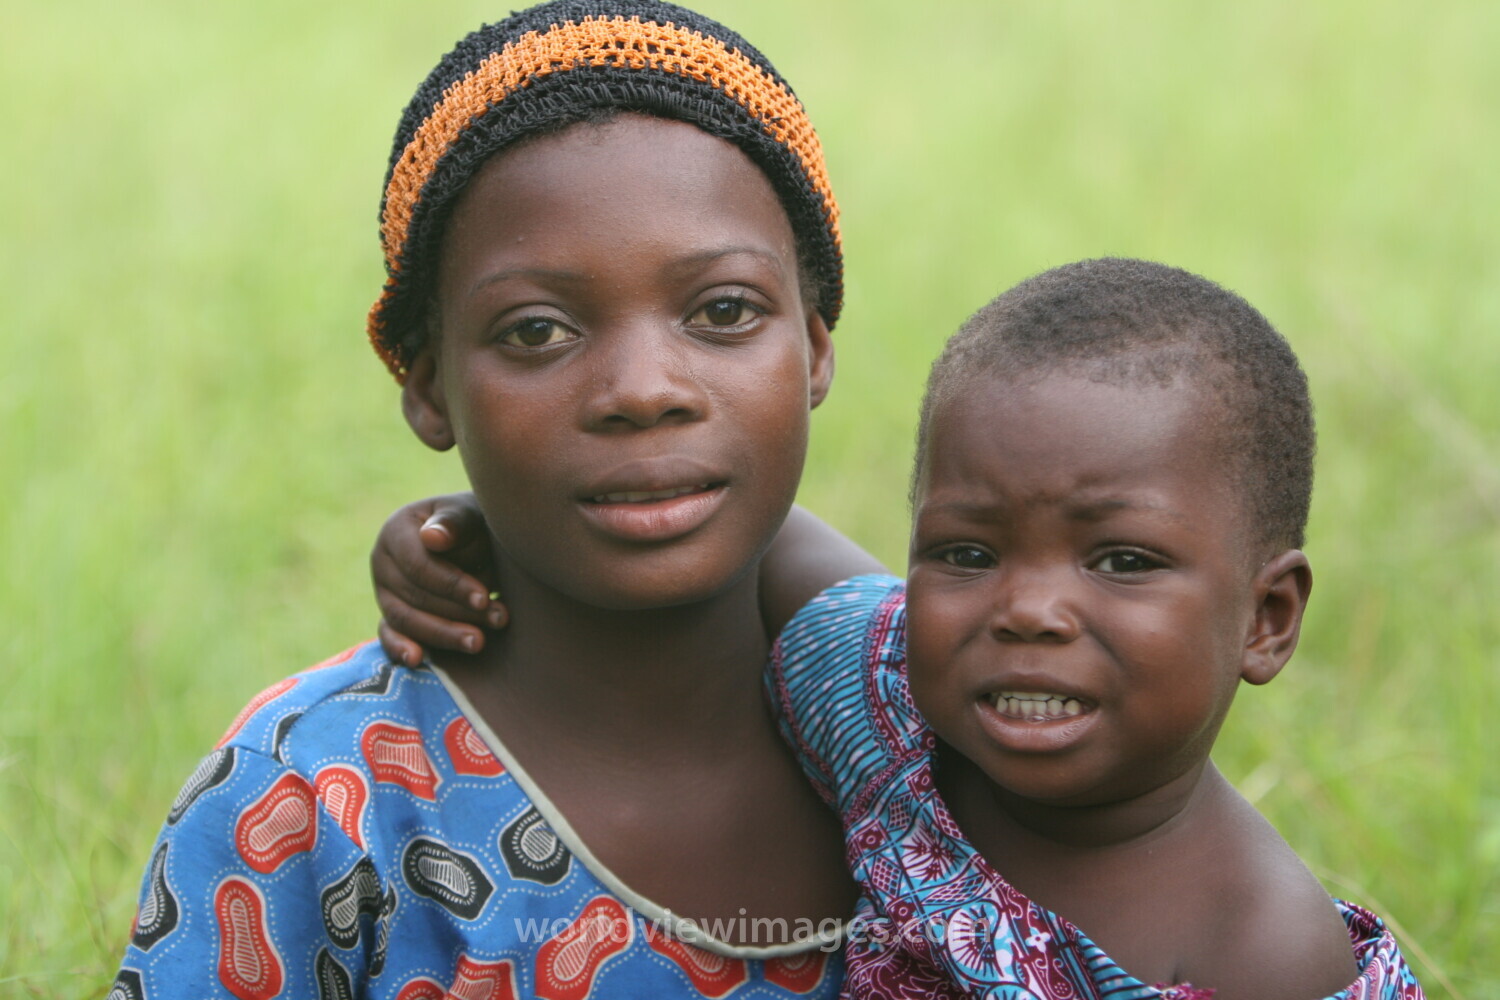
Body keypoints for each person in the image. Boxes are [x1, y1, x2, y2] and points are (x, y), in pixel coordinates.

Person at [110, 3, 891, 997]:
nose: (643, 389)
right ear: (430, 385)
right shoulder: (317, 796)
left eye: (724, 310)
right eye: (536, 331)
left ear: (814, 349)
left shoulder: (941, 737)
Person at [380, 259, 1426, 998]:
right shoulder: (889, 703)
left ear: (1266, 621)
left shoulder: (1259, 951)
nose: (1026, 610)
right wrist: (486, 527)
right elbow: (743, 534)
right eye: (967, 553)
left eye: (1121, 562)